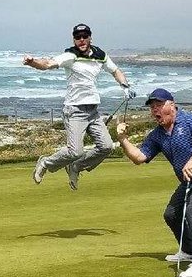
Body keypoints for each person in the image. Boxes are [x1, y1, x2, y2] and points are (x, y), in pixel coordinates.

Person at [114, 89, 192, 277]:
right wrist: (123, 139)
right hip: (189, 180)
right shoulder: (157, 135)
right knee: (171, 214)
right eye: (152, 108)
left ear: (172, 104)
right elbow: (139, 158)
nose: (155, 111)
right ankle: (188, 251)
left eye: (159, 106)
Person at [22, 23, 133, 190]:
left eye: (84, 36)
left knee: (107, 147)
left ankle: (75, 167)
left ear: (90, 37)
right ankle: (46, 162)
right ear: (74, 39)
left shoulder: (100, 55)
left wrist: (125, 86)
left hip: (93, 111)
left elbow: (115, 71)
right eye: (77, 37)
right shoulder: (70, 55)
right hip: (74, 111)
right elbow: (47, 64)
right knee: (75, 152)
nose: (81, 40)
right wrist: (32, 62)